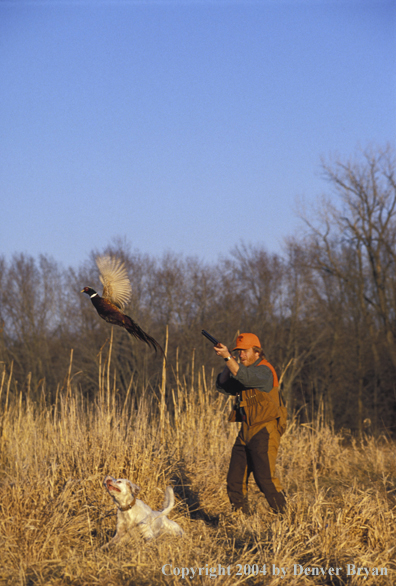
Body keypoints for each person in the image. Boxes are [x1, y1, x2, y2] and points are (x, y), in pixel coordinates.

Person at [214, 332, 286, 515]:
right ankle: (241, 519)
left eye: (244, 351)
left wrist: (229, 358)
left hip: (264, 429)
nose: (241, 355)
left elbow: (244, 376)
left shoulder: (264, 371)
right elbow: (223, 385)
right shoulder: (242, 370)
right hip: (246, 431)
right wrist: (227, 362)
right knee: (234, 480)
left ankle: (287, 516)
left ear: (257, 352)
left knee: (265, 480)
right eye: (238, 352)